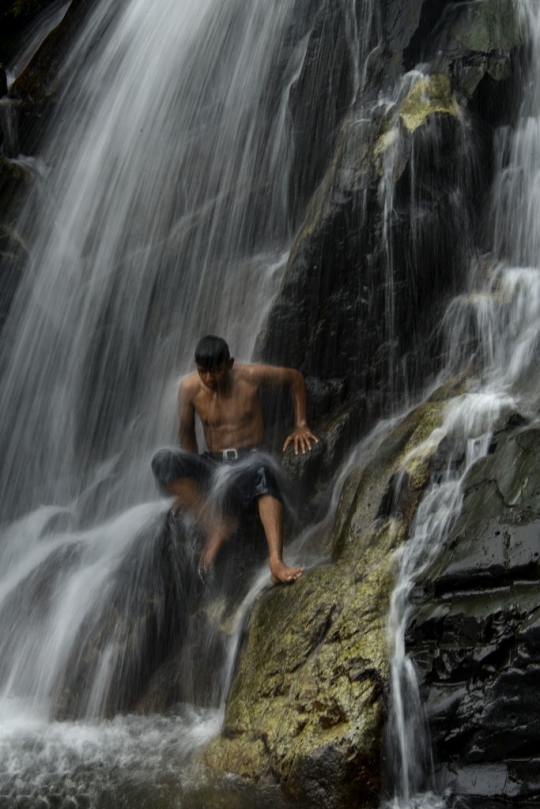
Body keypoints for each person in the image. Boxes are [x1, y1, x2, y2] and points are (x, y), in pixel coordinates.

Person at [152, 335, 318, 584]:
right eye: (202, 372)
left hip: (250, 458)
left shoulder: (251, 375)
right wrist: (189, 489)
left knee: (263, 470)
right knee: (163, 461)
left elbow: (294, 378)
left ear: (229, 364)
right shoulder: (188, 389)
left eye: (215, 371)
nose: (209, 379)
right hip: (214, 463)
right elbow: (186, 435)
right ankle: (216, 526)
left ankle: (276, 560)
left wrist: (301, 424)